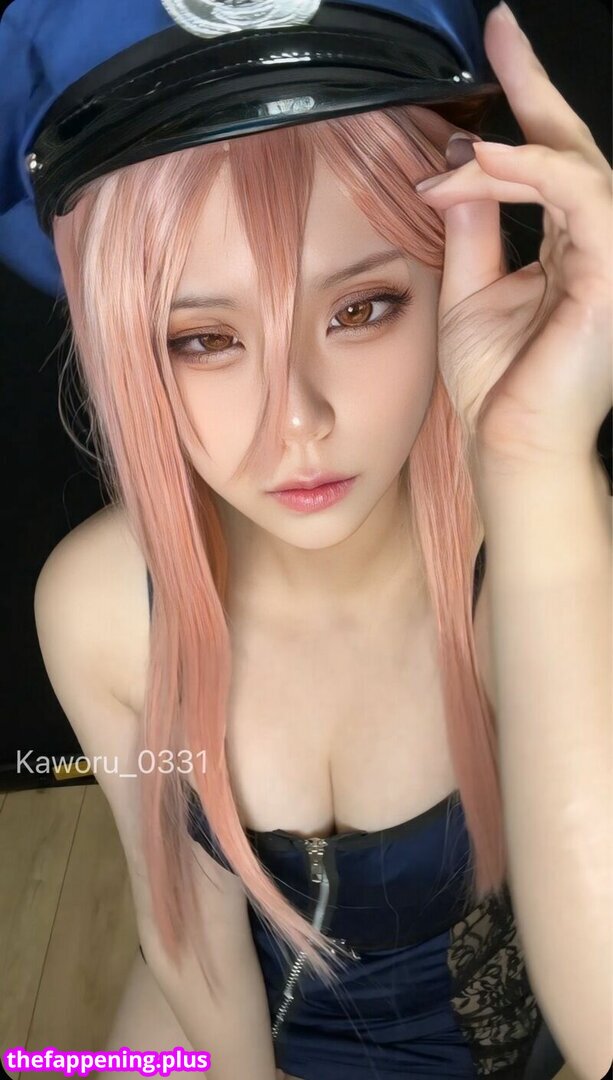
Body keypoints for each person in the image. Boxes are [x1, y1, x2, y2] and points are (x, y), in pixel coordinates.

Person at [2, 1, 610, 1078]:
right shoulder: (101, 609)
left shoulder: (528, 555)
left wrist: (534, 468)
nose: (296, 422)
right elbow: (184, 916)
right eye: (203, 338)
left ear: (453, 269)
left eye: (361, 308)